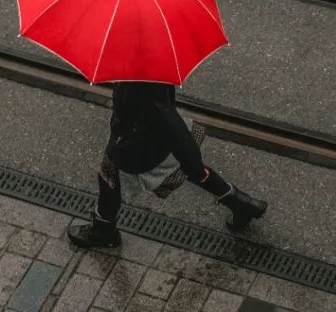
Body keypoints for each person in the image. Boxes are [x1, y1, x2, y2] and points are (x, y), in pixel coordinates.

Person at [68, 81, 267, 248]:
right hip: (138, 136)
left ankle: (103, 230)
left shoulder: (145, 91)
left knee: (108, 175)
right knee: (190, 171)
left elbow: (175, 130)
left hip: (139, 145)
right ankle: (240, 203)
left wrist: (194, 166)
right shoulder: (150, 72)